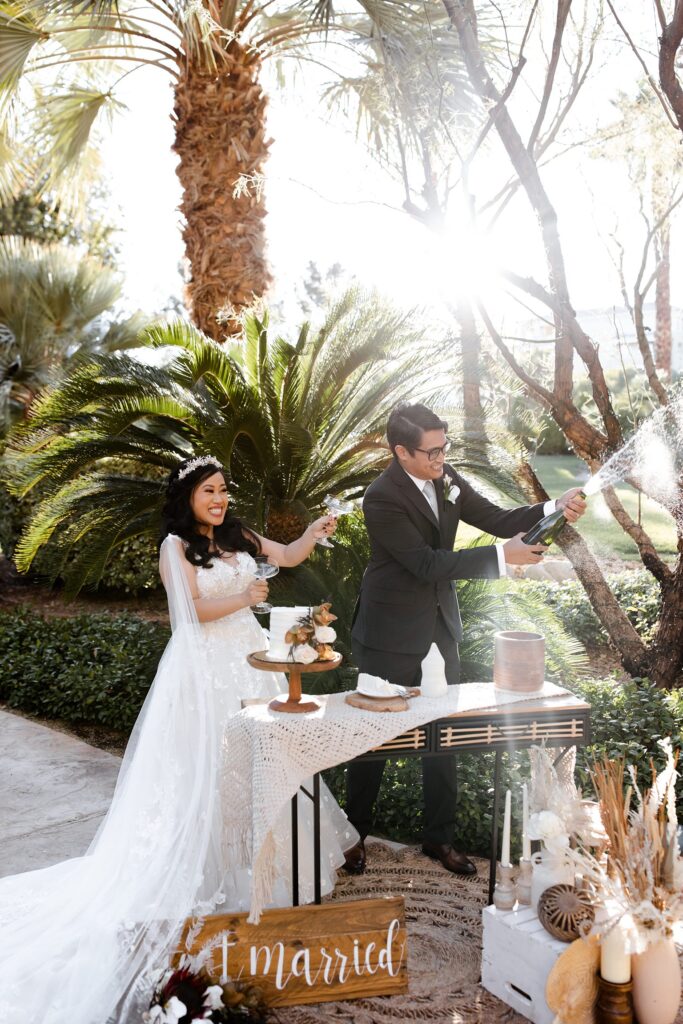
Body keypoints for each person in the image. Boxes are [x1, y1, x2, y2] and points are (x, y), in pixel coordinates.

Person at [0, 455, 357, 1024]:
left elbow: (286, 556)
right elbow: (190, 611)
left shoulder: (238, 534)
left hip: (251, 662)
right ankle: (216, 873)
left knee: (264, 759)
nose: (218, 499)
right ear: (188, 496)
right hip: (204, 670)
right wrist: (245, 598)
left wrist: (312, 533)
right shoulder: (174, 547)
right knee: (210, 769)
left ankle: (273, 868)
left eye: (223, 490)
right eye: (208, 491)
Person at [343, 403, 586, 877]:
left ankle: (440, 837)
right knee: (373, 741)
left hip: (440, 627)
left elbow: (495, 517)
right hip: (389, 631)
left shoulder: (445, 475)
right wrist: (502, 558)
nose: (441, 459)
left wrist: (552, 508)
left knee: (444, 736)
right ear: (401, 452)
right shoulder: (381, 497)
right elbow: (426, 564)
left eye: (444, 448)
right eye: (432, 452)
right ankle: (354, 835)